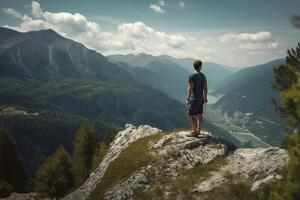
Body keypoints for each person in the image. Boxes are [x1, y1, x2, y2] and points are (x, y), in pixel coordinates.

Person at [186, 60, 208, 137]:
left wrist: (188, 98)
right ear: (200, 67)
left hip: (194, 98)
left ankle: (194, 131)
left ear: (194, 66)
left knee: (190, 115)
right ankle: (199, 130)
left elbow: (190, 89)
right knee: (199, 114)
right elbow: (205, 87)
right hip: (201, 98)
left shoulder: (192, 76)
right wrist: (205, 97)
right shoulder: (203, 76)